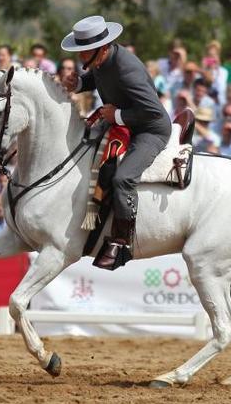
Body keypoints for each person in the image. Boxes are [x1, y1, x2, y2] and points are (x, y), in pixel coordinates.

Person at [61, 15, 173, 269]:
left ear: (99, 49)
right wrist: (79, 83)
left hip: (149, 130)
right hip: (121, 123)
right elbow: (96, 77)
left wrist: (117, 115)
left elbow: (154, 112)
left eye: (83, 52)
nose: (80, 58)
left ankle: (122, 242)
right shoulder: (102, 60)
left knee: (123, 179)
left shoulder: (127, 68)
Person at [202, 40, 228, 107]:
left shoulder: (223, 72)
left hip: (220, 104)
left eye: (214, 56)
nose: (212, 59)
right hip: (205, 105)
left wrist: (216, 67)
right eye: (209, 56)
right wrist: (204, 69)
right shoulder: (202, 72)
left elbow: (220, 87)